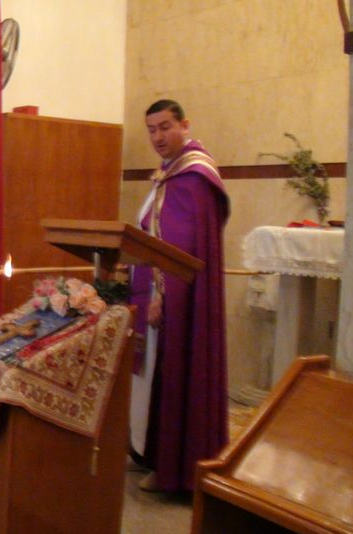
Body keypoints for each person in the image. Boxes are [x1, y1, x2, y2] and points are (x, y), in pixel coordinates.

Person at [129, 100, 230, 492]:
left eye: (166, 127)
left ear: (185, 125)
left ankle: (177, 468)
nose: (158, 137)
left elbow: (184, 247)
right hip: (159, 291)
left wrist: (163, 296)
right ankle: (156, 456)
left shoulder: (194, 176)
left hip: (178, 300)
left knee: (174, 374)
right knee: (159, 375)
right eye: (151, 129)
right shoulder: (170, 173)